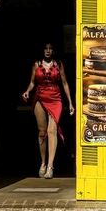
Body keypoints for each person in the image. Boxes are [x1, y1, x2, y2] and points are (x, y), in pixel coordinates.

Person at [22, 43, 74, 179]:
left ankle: (50, 166)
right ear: (42, 50)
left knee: (52, 131)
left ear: (54, 50)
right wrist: (27, 91)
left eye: (51, 48)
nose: (48, 51)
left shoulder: (58, 64)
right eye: (46, 48)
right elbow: (33, 82)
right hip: (40, 97)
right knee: (42, 131)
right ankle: (43, 162)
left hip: (55, 98)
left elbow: (64, 83)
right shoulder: (36, 64)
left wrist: (70, 103)